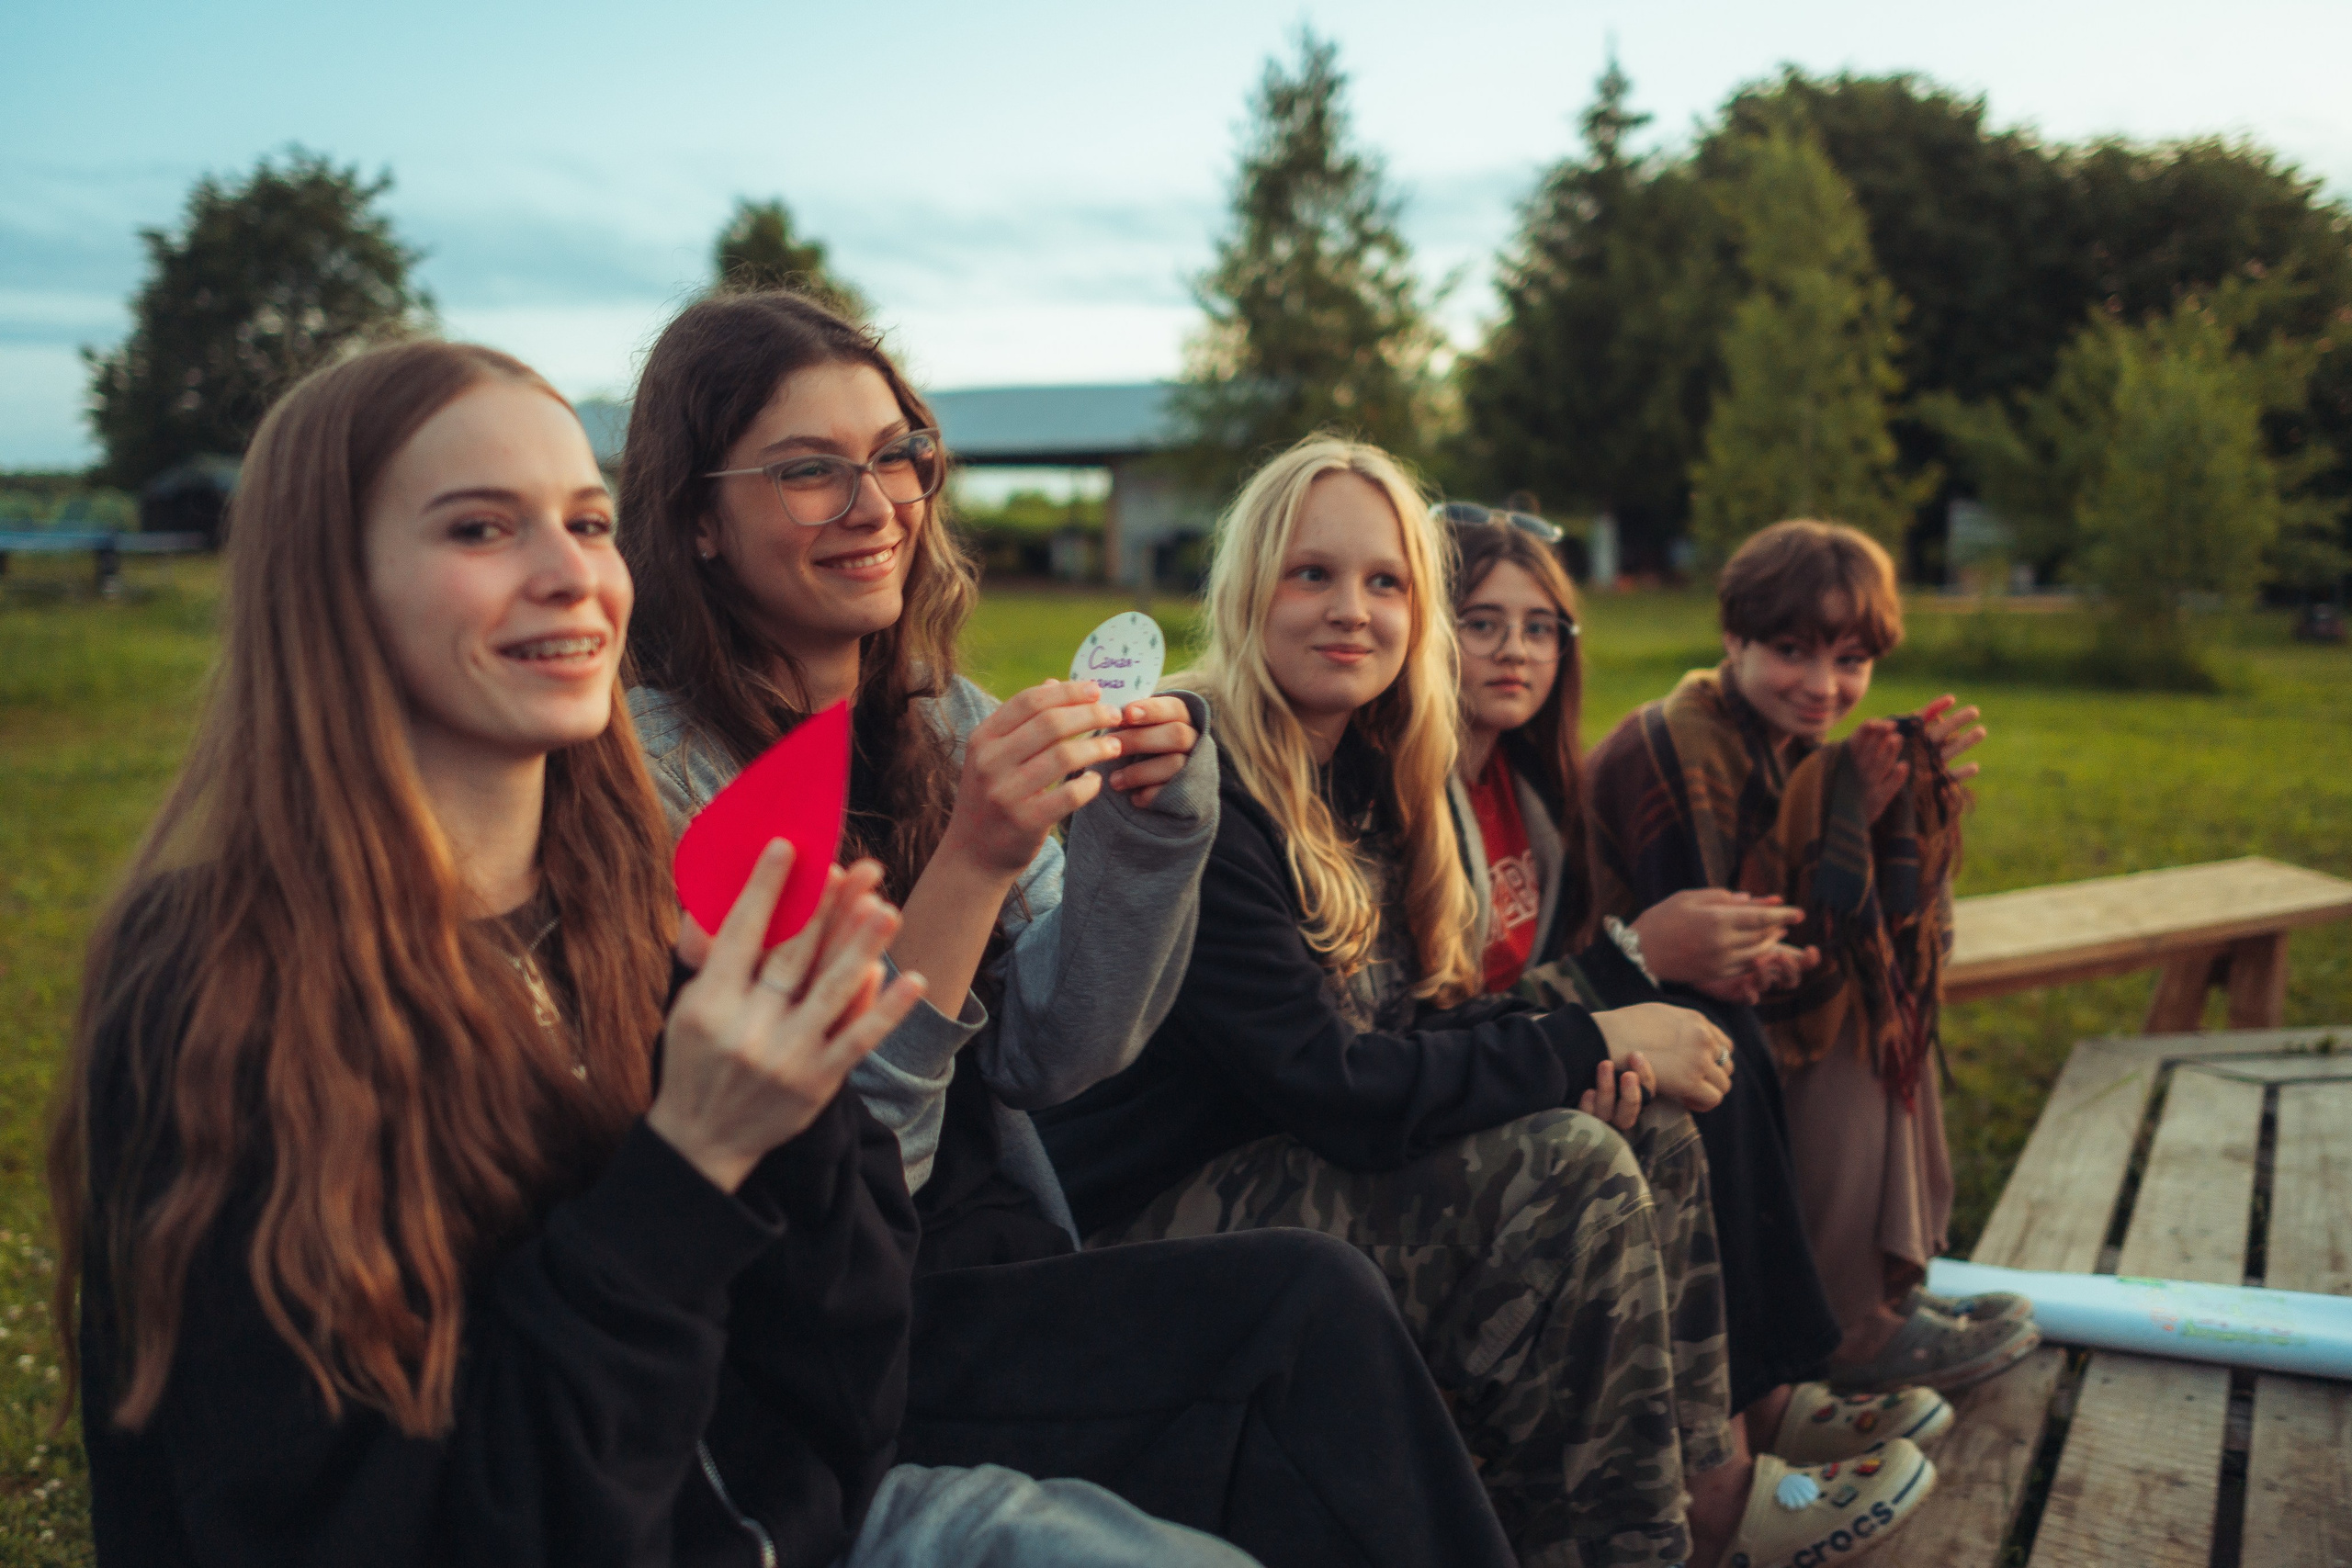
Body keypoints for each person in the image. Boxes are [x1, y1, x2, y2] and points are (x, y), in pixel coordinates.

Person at [48, 337, 1283, 1568]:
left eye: (585, 523)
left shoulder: (626, 901)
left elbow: (838, 1381)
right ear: (330, 585)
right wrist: (695, 1155)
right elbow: (392, 1516)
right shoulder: (225, 985)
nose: (570, 573)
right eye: (481, 529)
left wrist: (799, 1127)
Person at [617, 291, 1518, 1568]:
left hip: (1006, 1260)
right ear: (698, 519)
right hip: (832, 1336)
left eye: (895, 453)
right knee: (1303, 1308)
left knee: (1307, 1315)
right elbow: (849, 1177)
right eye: (808, 469)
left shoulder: (942, 720)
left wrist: (1145, 839)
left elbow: (1060, 1051)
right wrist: (975, 861)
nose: (873, 504)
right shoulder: (661, 781)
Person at [1037, 436, 1939, 1568]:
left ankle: (1710, 1490)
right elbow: (1335, 1085)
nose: (1349, 610)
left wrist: (1591, 1051)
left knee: (1647, 1125)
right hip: (1138, 1216)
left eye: (1385, 582)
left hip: (1280, 1147)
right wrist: (1587, 1033)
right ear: (1245, 586)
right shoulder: (1191, 776)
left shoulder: (1364, 773)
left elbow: (1404, 1030)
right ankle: (1623, 1546)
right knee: (1564, 1167)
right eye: (1310, 573)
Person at [1447, 513, 1971, 1560]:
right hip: (1490, 1065)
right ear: (1731, 643)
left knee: (1754, 1026)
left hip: (1544, 1026)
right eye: (1482, 623)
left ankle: (1771, 1398)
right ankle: (1730, 1474)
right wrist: (1641, 961)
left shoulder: (1523, 782)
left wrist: (1859, 819)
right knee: (1703, 1050)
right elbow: (1441, 1013)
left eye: (1542, 627)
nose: (1516, 651)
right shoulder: (1460, 785)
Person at [1584, 519, 2038, 1396]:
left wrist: (1894, 806)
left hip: (1698, 1002)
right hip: (1629, 1019)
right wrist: (1844, 811)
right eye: (1792, 650)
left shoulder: (1774, 737)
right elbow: (1719, 941)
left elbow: (1814, 907)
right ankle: (1849, 1330)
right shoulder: (1677, 747)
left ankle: (1878, 1293)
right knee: (1856, 1041)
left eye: (1852, 660)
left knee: (1884, 1004)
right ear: (1733, 637)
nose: (1826, 687)